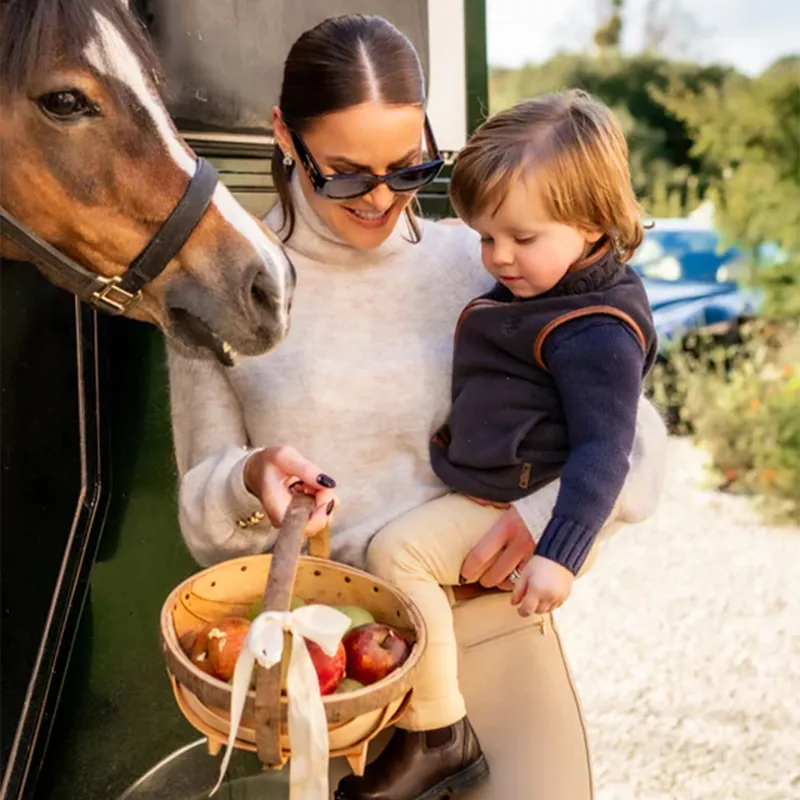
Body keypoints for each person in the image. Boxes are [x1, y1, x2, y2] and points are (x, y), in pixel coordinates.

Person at [167, 14, 668, 800]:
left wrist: (542, 523)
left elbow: (633, 432)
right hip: (332, 683)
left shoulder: (485, 257)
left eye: (408, 168)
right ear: (285, 137)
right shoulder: (228, 296)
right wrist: (248, 477)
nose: (379, 199)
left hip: (498, 638)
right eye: (344, 174)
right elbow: (203, 518)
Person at [349, 91, 659, 799]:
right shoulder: (549, 287)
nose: (499, 258)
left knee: (398, 554)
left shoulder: (595, 330)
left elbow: (607, 450)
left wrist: (561, 553)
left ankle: (438, 733)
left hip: (512, 497)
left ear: (592, 223)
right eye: (487, 237)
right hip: (489, 479)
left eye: (522, 238)